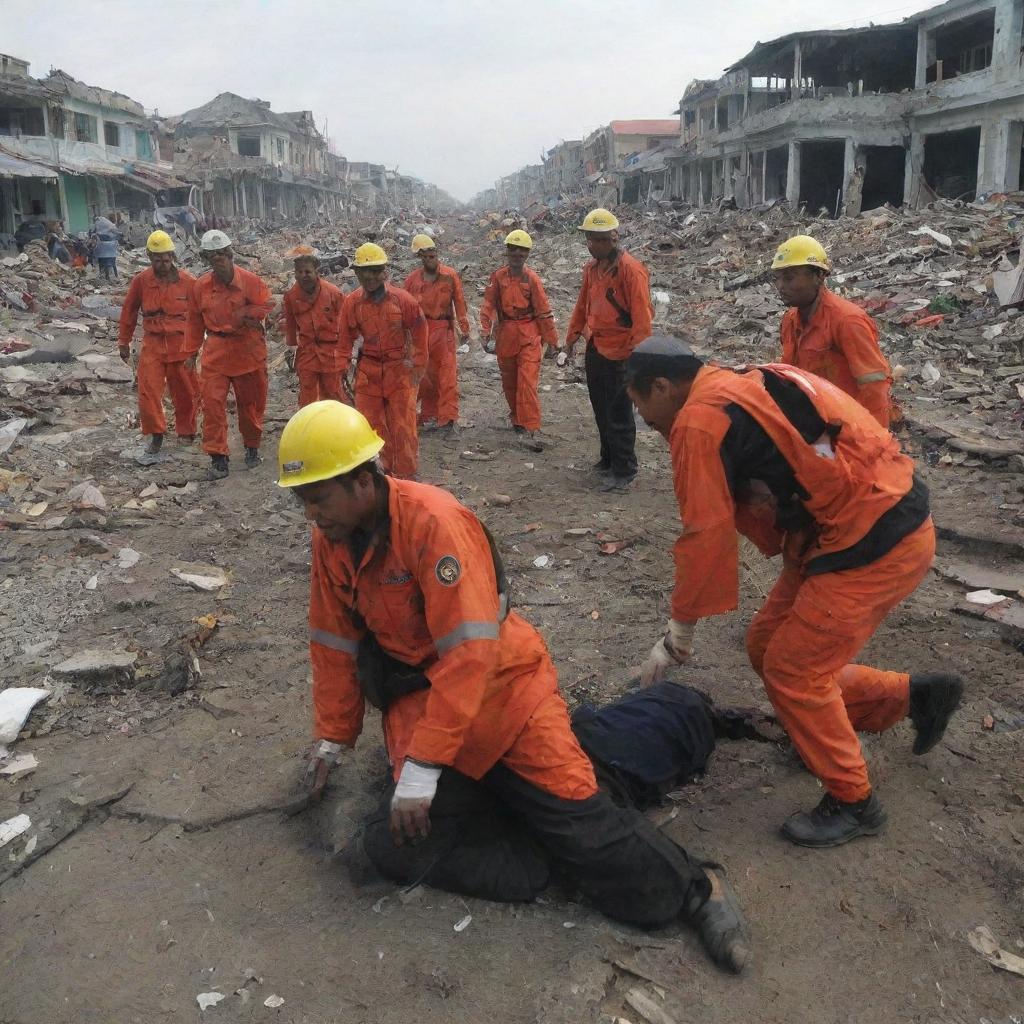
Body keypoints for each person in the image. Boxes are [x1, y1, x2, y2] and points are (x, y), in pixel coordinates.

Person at [277, 400, 750, 975]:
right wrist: (334, 736)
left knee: (587, 829)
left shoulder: (434, 523)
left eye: (317, 499)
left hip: (506, 695)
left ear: (359, 481)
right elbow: (333, 643)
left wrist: (424, 768)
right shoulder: (335, 541)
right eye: (302, 501)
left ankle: (700, 891)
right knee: (392, 845)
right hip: (423, 706)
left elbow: (471, 654)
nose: (310, 515)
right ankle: (537, 859)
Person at [624, 335, 964, 848]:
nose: (646, 424)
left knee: (795, 671)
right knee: (766, 644)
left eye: (643, 409)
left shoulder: (699, 420)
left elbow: (706, 533)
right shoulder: (740, 378)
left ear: (662, 386)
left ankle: (855, 802)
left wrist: (678, 633)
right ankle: (910, 697)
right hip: (849, 525)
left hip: (874, 538)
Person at [565, 208, 653, 491]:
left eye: (598, 239)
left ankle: (624, 468)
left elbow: (642, 318)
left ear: (613, 239)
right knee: (601, 409)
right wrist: (571, 338)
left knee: (618, 413)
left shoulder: (631, 270)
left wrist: (639, 359)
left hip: (621, 352)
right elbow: (582, 306)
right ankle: (608, 458)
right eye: (589, 239)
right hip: (597, 347)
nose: (592, 244)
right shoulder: (591, 269)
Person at [772, 235, 893, 428]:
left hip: (845, 425)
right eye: (777, 278)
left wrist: (875, 440)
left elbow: (874, 385)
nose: (780, 286)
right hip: (812, 421)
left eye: (789, 277)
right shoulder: (790, 320)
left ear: (819, 275)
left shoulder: (847, 321)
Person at [186, 229, 274, 479]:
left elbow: (268, 304)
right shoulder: (200, 286)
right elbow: (194, 321)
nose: (218, 261)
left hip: (247, 349)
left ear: (230, 254)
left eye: (222, 255)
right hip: (216, 351)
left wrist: (248, 313)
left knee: (251, 405)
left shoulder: (250, 281)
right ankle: (218, 458)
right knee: (212, 404)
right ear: (207, 259)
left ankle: (252, 448)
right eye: (212, 257)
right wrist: (190, 353)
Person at [337, 242, 427, 479]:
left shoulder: (403, 300)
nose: (370, 276)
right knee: (371, 425)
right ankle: (381, 474)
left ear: (384, 271)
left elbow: (420, 332)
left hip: (399, 370)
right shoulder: (352, 303)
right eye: (364, 271)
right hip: (369, 372)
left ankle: (407, 476)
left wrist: (417, 366)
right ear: (356, 273)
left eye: (376, 270)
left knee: (403, 426)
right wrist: (342, 368)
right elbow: (345, 337)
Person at [118, 230, 199, 455]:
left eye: (166, 259)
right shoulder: (141, 281)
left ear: (172, 256)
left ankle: (186, 430)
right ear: (149, 257)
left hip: (180, 344)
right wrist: (123, 341)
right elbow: (129, 311)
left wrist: (198, 346)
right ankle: (156, 434)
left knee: (185, 389)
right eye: (157, 260)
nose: (162, 264)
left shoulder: (188, 282)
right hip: (153, 344)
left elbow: (201, 313)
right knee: (148, 391)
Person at [480, 230, 557, 449]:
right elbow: (488, 305)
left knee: (528, 382)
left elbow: (543, 310)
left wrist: (552, 341)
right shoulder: (498, 277)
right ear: (507, 251)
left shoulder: (531, 279)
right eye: (512, 249)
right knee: (510, 382)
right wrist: (485, 332)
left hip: (529, 334)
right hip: (506, 334)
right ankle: (517, 420)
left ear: (527, 254)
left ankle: (531, 427)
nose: (516, 253)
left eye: (521, 250)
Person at [402, 234, 469, 436]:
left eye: (432, 256)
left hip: (444, 330)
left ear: (437, 255)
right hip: (421, 332)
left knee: (447, 376)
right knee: (425, 377)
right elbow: (405, 309)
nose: (429, 260)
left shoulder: (450, 276)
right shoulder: (412, 280)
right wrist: (404, 337)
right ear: (420, 258)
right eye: (425, 257)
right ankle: (429, 415)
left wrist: (464, 329)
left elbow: (459, 303)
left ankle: (448, 419)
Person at [282, 245, 346, 408]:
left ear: (317, 272)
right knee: (307, 395)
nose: (303, 276)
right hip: (307, 352)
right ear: (295, 273)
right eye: (299, 272)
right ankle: (307, 428)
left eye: (308, 272)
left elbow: (346, 323)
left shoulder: (333, 293)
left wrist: (346, 352)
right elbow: (290, 324)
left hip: (331, 351)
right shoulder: (291, 296)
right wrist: (291, 347)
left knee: (332, 394)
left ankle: (334, 429)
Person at [92, 214, 120, 281]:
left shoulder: (99, 225)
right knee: (111, 264)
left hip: (104, 251)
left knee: (104, 263)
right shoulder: (107, 227)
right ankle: (114, 275)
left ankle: (106, 276)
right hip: (110, 250)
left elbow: (95, 234)